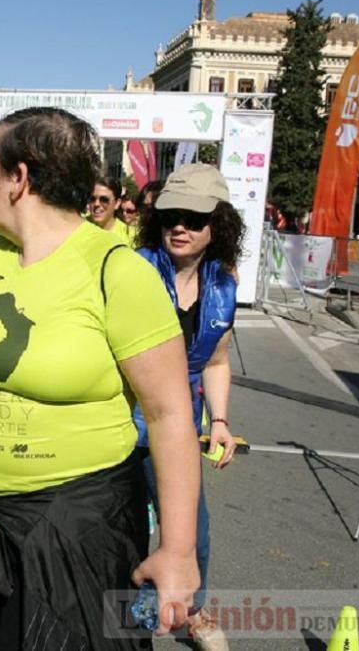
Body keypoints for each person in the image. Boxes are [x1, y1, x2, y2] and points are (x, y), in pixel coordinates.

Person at [0, 107, 201, 650]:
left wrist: (179, 550)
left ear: (18, 178)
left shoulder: (116, 270)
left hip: (82, 528)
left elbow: (170, 416)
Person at [133, 163, 244, 651]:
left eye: (194, 219)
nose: (179, 226)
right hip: (117, 422)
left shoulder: (223, 283)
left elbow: (216, 358)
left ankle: (192, 612)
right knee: (124, 531)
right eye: (170, 215)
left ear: (217, 226)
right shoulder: (132, 268)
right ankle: (125, 624)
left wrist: (219, 421)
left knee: (191, 531)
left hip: (179, 427)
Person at [88, 176, 133, 245]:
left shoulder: (129, 236)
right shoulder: (77, 225)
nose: (96, 204)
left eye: (104, 200)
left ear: (117, 203)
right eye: (92, 199)